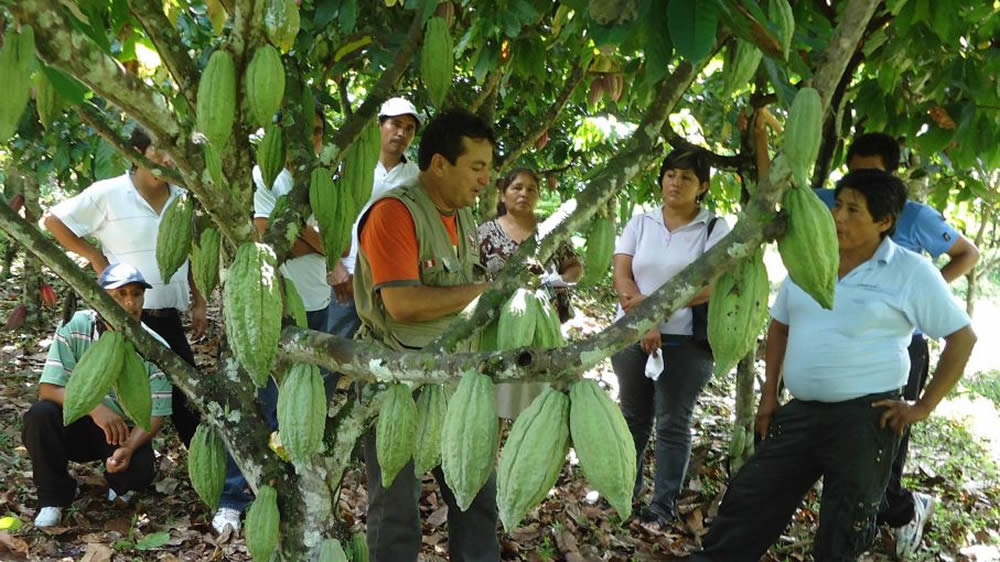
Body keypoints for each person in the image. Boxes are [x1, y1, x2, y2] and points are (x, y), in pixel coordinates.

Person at [690, 169, 977, 561]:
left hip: (864, 420)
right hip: (802, 412)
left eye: (853, 209)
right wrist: (769, 396)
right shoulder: (809, 260)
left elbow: (962, 338)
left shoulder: (911, 271)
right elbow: (781, 326)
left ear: (884, 221)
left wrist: (922, 406)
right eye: (838, 205)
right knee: (750, 499)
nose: (838, 216)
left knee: (845, 525)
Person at [814, 133, 980, 556]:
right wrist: (760, 131)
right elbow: (778, 196)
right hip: (846, 342)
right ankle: (856, 525)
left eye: (872, 172)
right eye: (855, 172)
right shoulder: (835, 204)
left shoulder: (917, 216)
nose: (861, 181)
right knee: (843, 442)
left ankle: (900, 510)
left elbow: (968, 253)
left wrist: (924, 297)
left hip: (902, 346)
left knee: (884, 438)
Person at [354, 109, 499, 561]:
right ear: (439, 164)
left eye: (488, 169)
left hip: (459, 379)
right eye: (476, 167)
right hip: (400, 381)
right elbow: (403, 304)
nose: (484, 180)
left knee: (474, 497)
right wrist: (487, 292)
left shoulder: (463, 216)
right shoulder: (394, 213)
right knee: (396, 512)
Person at [211, 103, 335, 535]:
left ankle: (285, 491)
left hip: (318, 302)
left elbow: (332, 241)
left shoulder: (324, 184)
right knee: (256, 401)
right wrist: (318, 242)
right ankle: (232, 497)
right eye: (304, 132)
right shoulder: (265, 179)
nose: (311, 141)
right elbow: (266, 235)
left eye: (318, 132)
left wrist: (307, 236)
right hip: (271, 308)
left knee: (300, 403)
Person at [43, 128, 206, 448]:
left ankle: (213, 479)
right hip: (126, 316)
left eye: (172, 149)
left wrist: (198, 299)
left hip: (168, 315)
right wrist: (94, 257)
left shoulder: (183, 198)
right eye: (158, 149)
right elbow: (53, 220)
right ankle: (122, 460)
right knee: (123, 394)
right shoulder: (110, 192)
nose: (167, 158)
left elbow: (190, 252)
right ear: (135, 152)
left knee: (188, 399)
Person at [610, 148, 730, 528]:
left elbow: (709, 286)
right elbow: (622, 276)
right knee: (633, 418)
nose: (675, 183)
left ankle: (661, 505)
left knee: (673, 422)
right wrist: (646, 319)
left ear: (703, 187)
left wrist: (654, 313)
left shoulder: (714, 228)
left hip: (685, 343)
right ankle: (624, 492)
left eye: (686, 178)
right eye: (670, 175)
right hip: (632, 336)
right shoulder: (640, 222)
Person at [22, 263, 173, 528]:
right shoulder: (76, 326)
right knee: (40, 415)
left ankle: (118, 482)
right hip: (76, 424)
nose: (130, 303)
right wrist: (95, 409)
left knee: (140, 470)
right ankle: (53, 497)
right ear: (100, 298)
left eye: (136, 294)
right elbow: (48, 389)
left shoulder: (155, 347)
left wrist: (127, 448)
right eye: (120, 294)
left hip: (118, 434)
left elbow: (157, 413)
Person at [478, 167, 583, 419]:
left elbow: (574, 268)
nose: (524, 193)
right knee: (495, 407)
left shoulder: (550, 232)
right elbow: (472, 276)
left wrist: (553, 282)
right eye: (517, 188)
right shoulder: (485, 232)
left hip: (543, 324)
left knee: (538, 405)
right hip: (497, 327)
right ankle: (492, 457)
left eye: (531, 189)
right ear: (503, 194)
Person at [326, 97, 422, 341]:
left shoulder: (417, 178)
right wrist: (335, 266)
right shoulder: (350, 165)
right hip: (348, 278)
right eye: (395, 124)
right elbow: (328, 217)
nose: (402, 133)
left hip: (392, 284)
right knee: (335, 352)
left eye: (409, 128)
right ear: (379, 126)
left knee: (381, 359)